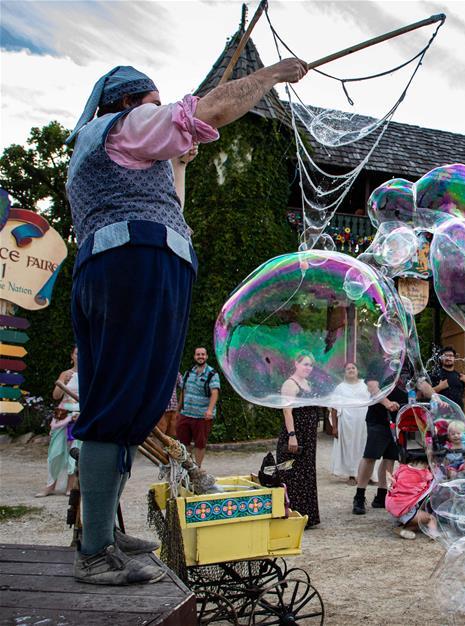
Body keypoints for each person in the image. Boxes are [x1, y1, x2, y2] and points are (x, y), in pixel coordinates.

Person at [66, 59, 308, 585]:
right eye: (152, 103)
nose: (158, 111)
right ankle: (94, 551)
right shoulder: (122, 125)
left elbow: (170, 208)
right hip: (134, 263)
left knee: (135, 406)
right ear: (127, 103)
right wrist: (269, 77)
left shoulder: (107, 148)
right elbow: (209, 110)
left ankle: (103, 532)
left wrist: (178, 161)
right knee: (116, 405)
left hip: (132, 262)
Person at [353, 362, 435, 515]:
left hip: (399, 418)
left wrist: (436, 398)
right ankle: (359, 496)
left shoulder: (409, 365)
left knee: (390, 458)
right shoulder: (379, 362)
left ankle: (382, 494)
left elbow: (422, 384)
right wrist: (387, 403)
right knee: (370, 456)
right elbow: (372, 387)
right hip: (379, 417)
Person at [276, 351, 321, 527]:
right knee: (292, 474)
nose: (308, 368)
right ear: (296, 363)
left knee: (306, 473)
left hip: (308, 437)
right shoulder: (290, 384)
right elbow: (287, 411)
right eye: (305, 364)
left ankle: (307, 516)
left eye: (311, 365)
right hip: (296, 434)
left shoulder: (308, 384)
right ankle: (292, 514)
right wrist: (292, 436)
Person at [37, 347, 80, 497]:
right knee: (55, 450)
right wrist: (63, 381)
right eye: (77, 353)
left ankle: (70, 487)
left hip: (78, 415)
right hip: (62, 415)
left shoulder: (90, 373)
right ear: (72, 356)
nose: (80, 356)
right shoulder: (65, 373)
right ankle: (50, 486)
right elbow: (56, 396)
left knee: (75, 450)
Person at [176, 347, 220, 467]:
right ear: (194, 356)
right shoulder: (188, 372)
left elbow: (215, 393)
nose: (200, 356)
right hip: (186, 413)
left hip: (202, 415)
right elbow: (183, 391)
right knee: (183, 443)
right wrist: (178, 409)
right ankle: (187, 466)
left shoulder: (212, 374)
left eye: (203, 354)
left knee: (200, 443)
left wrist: (209, 410)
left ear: (206, 356)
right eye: (198, 354)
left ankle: (198, 468)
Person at [328, 362, 369, 484]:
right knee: (350, 448)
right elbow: (334, 408)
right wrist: (334, 427)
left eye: (353, 368)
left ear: (357, 370)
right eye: (348, 369)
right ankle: (352, 475)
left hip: (363, 423)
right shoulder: (340, 388)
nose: (351, 370)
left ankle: (367, 474)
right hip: (346, 423)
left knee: (364, 446)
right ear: (344, 373)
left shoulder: (365, 385)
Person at [385, 452, 435, 540]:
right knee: (431, 518)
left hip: (394, 507)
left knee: (420, 524)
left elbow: (392, 478)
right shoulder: (424, 474)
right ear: (426, 464)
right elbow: (434, 480)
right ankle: (434, 535)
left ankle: (402, 529)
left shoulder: (402, 469)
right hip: (407, 510)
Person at [156, 373, 182, 439]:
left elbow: (184, 387)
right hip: (160, 408)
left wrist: (179, 406)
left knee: (170, 435)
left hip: (173, 407)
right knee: (160, 434)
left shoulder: (176, 373)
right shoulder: (157, 370)